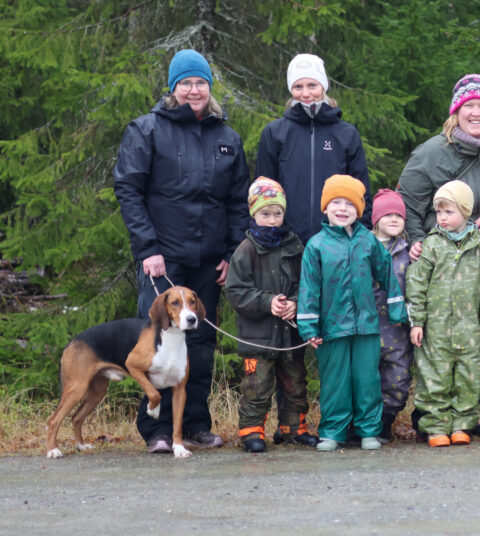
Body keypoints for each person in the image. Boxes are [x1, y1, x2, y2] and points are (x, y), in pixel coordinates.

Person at [114, 48, 249, 453]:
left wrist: (231, 251)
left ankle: (194, 426)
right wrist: (148, 249)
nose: (194, 90)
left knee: (201, 347)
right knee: (155, 345)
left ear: (210, 87)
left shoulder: (227, 138)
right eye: (186, 83)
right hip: (163, 260)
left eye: (201, 83)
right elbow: (129, 190)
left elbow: (239, 201)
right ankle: (155, 432)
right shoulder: (146, 129)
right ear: (173, 88)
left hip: (209, 262)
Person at [397, 74, 480, 435]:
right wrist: (417, 240)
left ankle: (464, 415)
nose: (475, 113)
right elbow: (407, 202)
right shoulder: (430, 153)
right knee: (436, 347)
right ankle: (430, 416)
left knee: (479, 340)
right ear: (456, 111)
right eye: (468, 106)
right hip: (440, 264)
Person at [296, 175, 406, 452]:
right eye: (336, 202)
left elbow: (386, 274)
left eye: (349, 204)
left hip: (366, 326)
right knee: (335, 383)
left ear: (359, 210)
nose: (343, 208)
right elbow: (309, 288)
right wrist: (309, 326)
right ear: (326, 207)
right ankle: (333, 431)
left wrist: (396, 308)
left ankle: (369, 430)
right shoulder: (317, 245)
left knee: (367, 380)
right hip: (331, 328)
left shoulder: (368, 241)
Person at [224, 177, 317, 453]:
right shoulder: (245, 250)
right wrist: (267, 302)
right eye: (266, 214)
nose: (272, 219)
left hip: (290, 334)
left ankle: (292, 429)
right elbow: (236, 291)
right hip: (258, 336)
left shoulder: (294, 245)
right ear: (254, 214)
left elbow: (307, 282)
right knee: (257, 386)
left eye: (277, 213)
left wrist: (296, 303)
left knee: (295, 382)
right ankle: (252, 432)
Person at [406, 181, 480, 447]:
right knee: (434, 378)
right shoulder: (431, 245)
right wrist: (417, 322)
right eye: (439, 213)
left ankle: (462, 425)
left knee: (468, 378)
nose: (443, 218)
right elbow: (416, 285)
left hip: (469, 329)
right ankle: (436, 426)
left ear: (466, 213)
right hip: (435, 330)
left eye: (449, 212)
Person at [256, 53, 372, 244]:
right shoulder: (274, 133)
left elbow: (361, 190)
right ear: (291, 89)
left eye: (312, 85)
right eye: (298, 87)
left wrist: (362, 236)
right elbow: (263, 190)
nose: (306, 94)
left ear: (323, 87)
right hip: (286, 242)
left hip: (336, 241)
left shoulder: (346, 134)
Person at [370, 188, 413, 442]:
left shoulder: (409, 252)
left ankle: (386, 420)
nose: (395, 219)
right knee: (367, 377)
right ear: (376, 219)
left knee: (397, 375)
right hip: (368, 326)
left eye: (399, 215)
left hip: (397, 328)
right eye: (388, 215)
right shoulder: (364, 247)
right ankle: (365, 422)